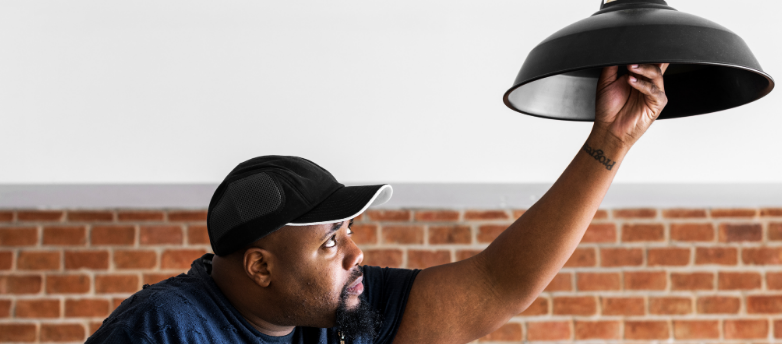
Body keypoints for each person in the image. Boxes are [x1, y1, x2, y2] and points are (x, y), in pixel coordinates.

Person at [86, 63, 669, 344]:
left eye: (348, 230)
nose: (355, 252)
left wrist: (611, 140)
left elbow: (495, 285)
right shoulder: (162, 330)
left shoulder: (337, 315)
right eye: (331, 240)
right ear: (261, 267)